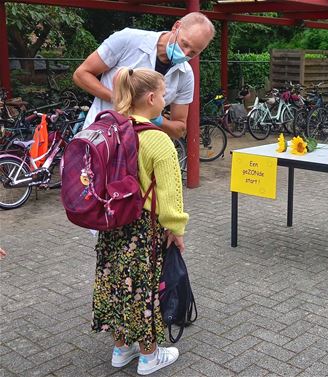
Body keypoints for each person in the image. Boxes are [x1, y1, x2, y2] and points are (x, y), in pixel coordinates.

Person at [92, 67, 189, 375]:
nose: (165, 100)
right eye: (163, 94)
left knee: (118, 282)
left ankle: (121, 348)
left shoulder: (110, 130)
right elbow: (170, 195)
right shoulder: (157, 141)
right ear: (150, 98)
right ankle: (149, 355)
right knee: (143, 287)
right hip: (143, 226)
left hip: (111, 223)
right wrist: (176, 229)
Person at [73, 12, 215, 139]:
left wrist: (156, 118)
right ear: (176, 26)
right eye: (184, 44)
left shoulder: (186, 75)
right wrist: (121, 99)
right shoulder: (128, 39)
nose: (184, 53)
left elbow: (179, 129)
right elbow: (81, 74)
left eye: (193, 53)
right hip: (99, 140)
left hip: (141, 152)